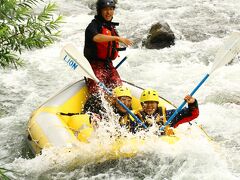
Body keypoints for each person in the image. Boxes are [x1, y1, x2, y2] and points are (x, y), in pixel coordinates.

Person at [84, 0, 133, 94]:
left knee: (120, 92)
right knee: (97, 93)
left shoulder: (110, 27)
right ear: (99, 11)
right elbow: (97, 37)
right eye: (105, 9)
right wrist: (117, 38)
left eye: (111, 9)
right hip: (94, 66)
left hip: (108, 65)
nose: (108, 12)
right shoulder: (92, 26)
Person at [135, 88, 199, 134]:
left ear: (157, 104)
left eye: (152, 103)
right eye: (146, 103)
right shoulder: (135, 118)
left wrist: (192, 103)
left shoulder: (168, 116)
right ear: (141, 104)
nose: (149, 106)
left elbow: (193, 114)